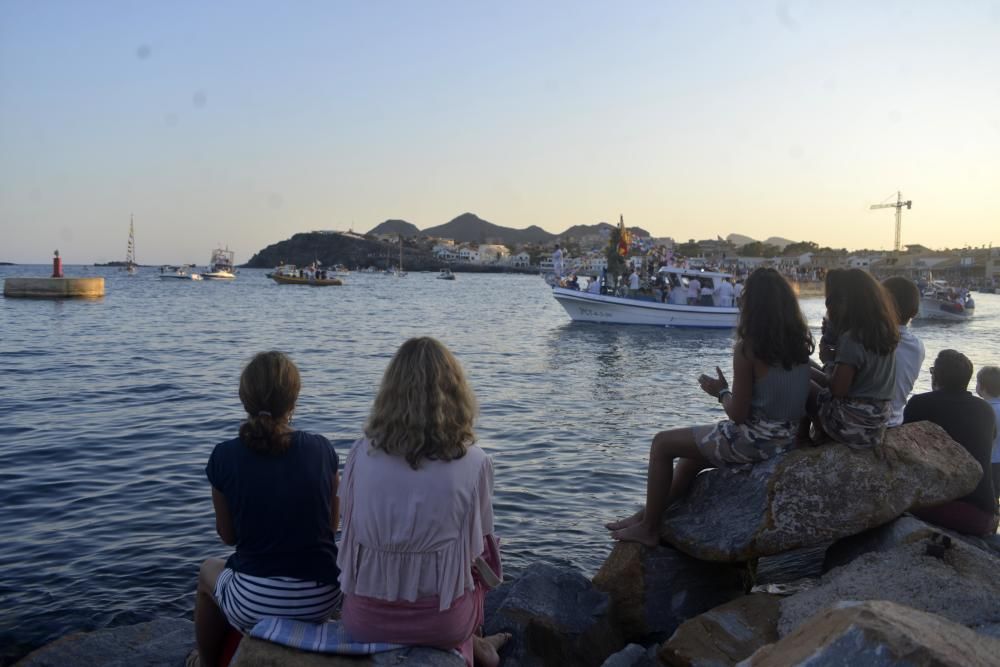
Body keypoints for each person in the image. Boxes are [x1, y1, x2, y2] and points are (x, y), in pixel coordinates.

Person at [606, 269, 813, 547]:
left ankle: (649, 530)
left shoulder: (748, 348)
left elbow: (738, 415)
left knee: (662, 444)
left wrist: (721, 392)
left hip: (755, 442)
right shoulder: (799, 344)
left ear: (753, 305)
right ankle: (645, 517)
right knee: (690, 460)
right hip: (783, 441)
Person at [337, 338, 510, 667]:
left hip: (363, 622)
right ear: (455, 393)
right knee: (477, 565)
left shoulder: (360, 453)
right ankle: (476, 645)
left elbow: (348, 534)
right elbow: (483, 555)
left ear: (390, 392)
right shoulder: (475, 463)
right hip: (443, 625)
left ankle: (476, 646)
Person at [193, 352, 341, 667]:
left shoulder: (223, 456)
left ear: (244, 398)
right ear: (294, 399)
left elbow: (228, 536)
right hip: (322, 597)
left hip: (254, 603)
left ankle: (206, 662)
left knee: (208, 570)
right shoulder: (322, 449)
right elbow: (330, 528)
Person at [904, 351, 999, 536]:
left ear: (936, 376)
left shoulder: (920, 404)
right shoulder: (985, 409)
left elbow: (904, 451)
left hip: (943, 507)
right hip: (985, 514)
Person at [808, 269, 898, 448]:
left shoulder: (852, 338)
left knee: (799, 378)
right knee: (803, 365)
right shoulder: (884, 332)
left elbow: (838, 389)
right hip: (876, 422)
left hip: (853, 425)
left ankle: (807, 436)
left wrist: (828, 360)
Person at [882, 277, 925, 427]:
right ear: (915, 312)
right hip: (895, 420)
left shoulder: (870, 339)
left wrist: (829, 356)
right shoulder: (918, 346)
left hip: (867, 422)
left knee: (808, 369)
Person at [974, 365, 1000, 500]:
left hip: (988, 461)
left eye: (977, 382)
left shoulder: (982, 410)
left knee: (987, 496)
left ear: (982, 387)